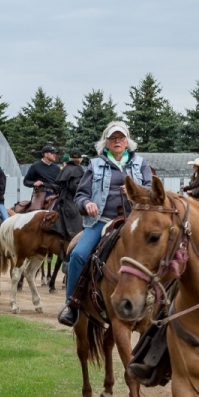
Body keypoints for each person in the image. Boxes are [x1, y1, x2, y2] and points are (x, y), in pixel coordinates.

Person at [57, 122, 152, 327]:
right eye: (113, 138)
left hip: (134, 221)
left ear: (127, 141)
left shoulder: (141, 164)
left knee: (160, 252)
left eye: (121, 138)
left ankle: (160, 304)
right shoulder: (94, 165)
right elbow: (81, 195)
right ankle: (72, 305)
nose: (117, 141)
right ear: (106, 142)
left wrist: (137, 190)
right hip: (102, 221)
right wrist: (87, 204)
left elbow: (152, 190)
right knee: (78, 254)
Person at [52, 150, 86, 242]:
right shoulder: (77, 169)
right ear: (80, 159)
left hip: (63, 199)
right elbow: (75, 187)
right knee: (77, 228)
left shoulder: (66, 168)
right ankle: (76, 242)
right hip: (70, 201)